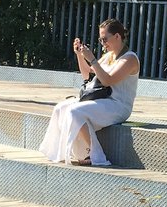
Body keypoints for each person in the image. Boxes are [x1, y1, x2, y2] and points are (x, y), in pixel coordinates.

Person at [39, 18, 140, 166]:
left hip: (119, 105)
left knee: (75, 111)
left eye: (105, 39)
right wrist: (80, 56)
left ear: (117, 36)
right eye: (100, 40)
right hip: (103, 100)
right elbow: (87, 74)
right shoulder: (109, 56)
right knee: (61, 107)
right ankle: (57, 153)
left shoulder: (130, 59)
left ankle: (97, 155)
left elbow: (107, 80)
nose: (103, 43)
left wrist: (92, 59)